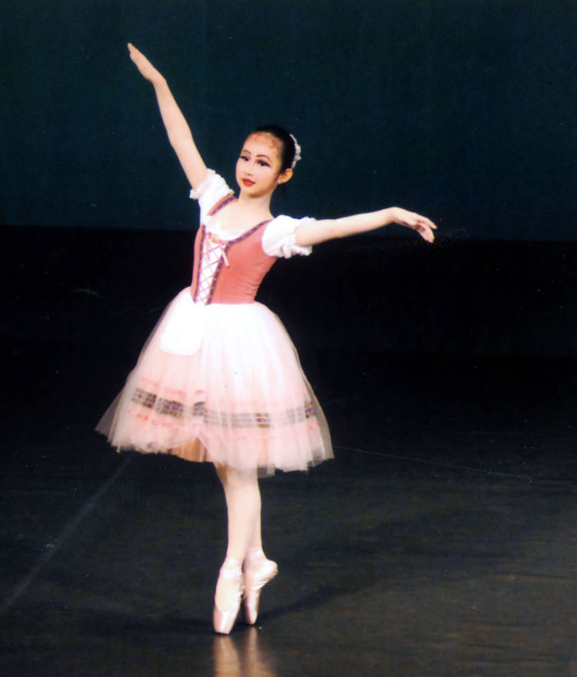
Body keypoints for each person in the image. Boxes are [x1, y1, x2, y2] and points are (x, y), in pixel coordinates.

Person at [97, 43, 437, 635]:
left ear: (284, 175)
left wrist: (389, 214)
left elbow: (333, 227)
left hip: (238, 347)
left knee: (238, 464)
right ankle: (255, 561)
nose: (249, 168)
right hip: (191, 335)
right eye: (245, 157)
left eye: (263, 162)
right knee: (226, 462)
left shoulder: (277, 231)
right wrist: (159, 83)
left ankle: (234, 568)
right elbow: (181, 139)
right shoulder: (213, 199)